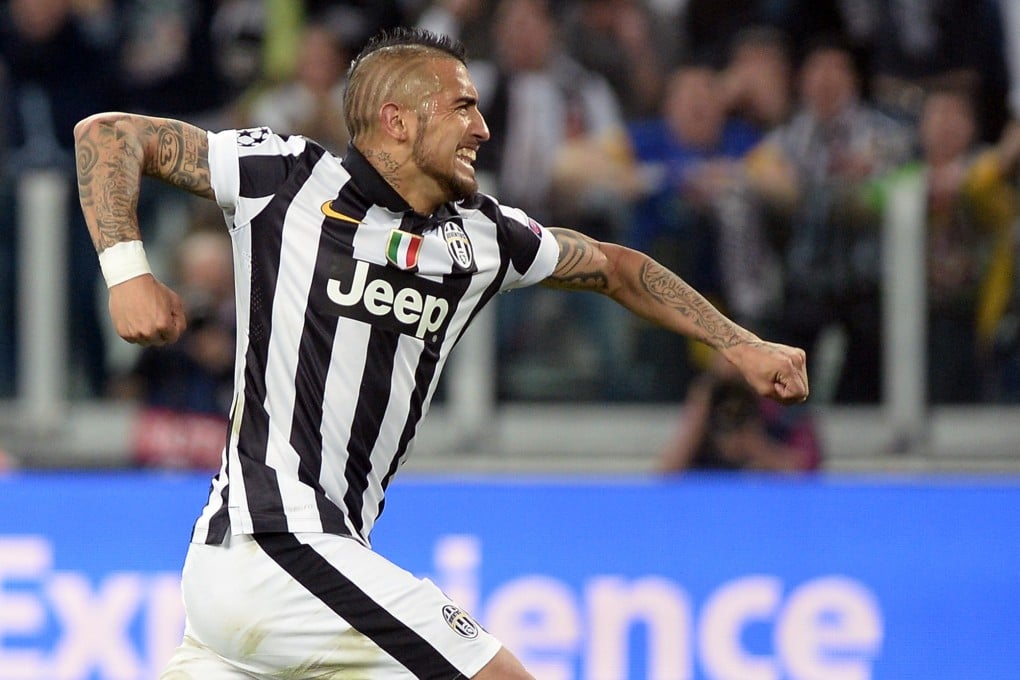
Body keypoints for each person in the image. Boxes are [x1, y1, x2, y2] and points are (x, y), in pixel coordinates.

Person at [74, 27, 808, 680]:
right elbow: (108, 134)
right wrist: (129, 272)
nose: (483, 129)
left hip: (255, 578)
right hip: (276, 543)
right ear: (397, 119)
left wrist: (739, 344)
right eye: (462, 107)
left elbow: (616, 268)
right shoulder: (286, 178)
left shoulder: (481, 236)